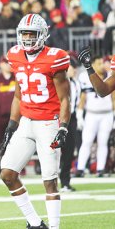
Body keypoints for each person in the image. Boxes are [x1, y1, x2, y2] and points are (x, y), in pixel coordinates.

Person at [0, 14, 71, 229]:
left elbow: (65, 98)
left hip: (48, 123)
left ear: (43, 35)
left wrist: (63, 126)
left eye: (32, 34)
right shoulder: (14, 55)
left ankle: (55, 227)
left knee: (49, 179)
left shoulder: (55, 57)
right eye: (25, 34)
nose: (28, 38)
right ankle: (34, 223)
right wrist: (11, 125)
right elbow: (18, 95)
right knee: (8, 173)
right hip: (26, 122)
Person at [75, 55, 114, 177]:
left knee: (103, 142)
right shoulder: (86, 77)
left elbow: (113, 98)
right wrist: (80, 115)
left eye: (102, 63)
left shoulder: (109, 75)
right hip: (91, 114)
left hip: (106, 114)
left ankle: (100, 168)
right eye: (98, 63)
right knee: (86, 141)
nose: (101, 65)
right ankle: (80, 168)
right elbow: (83, 97)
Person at [60, 58, 81, 192]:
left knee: (69, 150)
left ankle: (65, 181)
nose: (75, 70)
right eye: (72, 67)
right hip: (60, 117)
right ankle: (51, 181)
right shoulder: (60, 82)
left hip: (72, 118)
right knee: (55, 151)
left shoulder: (76, 83)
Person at [0, 56, 16, 152]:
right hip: (2, 117)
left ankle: (20, 167)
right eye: (6, 63)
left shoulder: (16, 78)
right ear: (1, 64)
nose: (9, 65)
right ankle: (5, 164)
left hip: (16, 117)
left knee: (17, 141)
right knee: (3, 141)